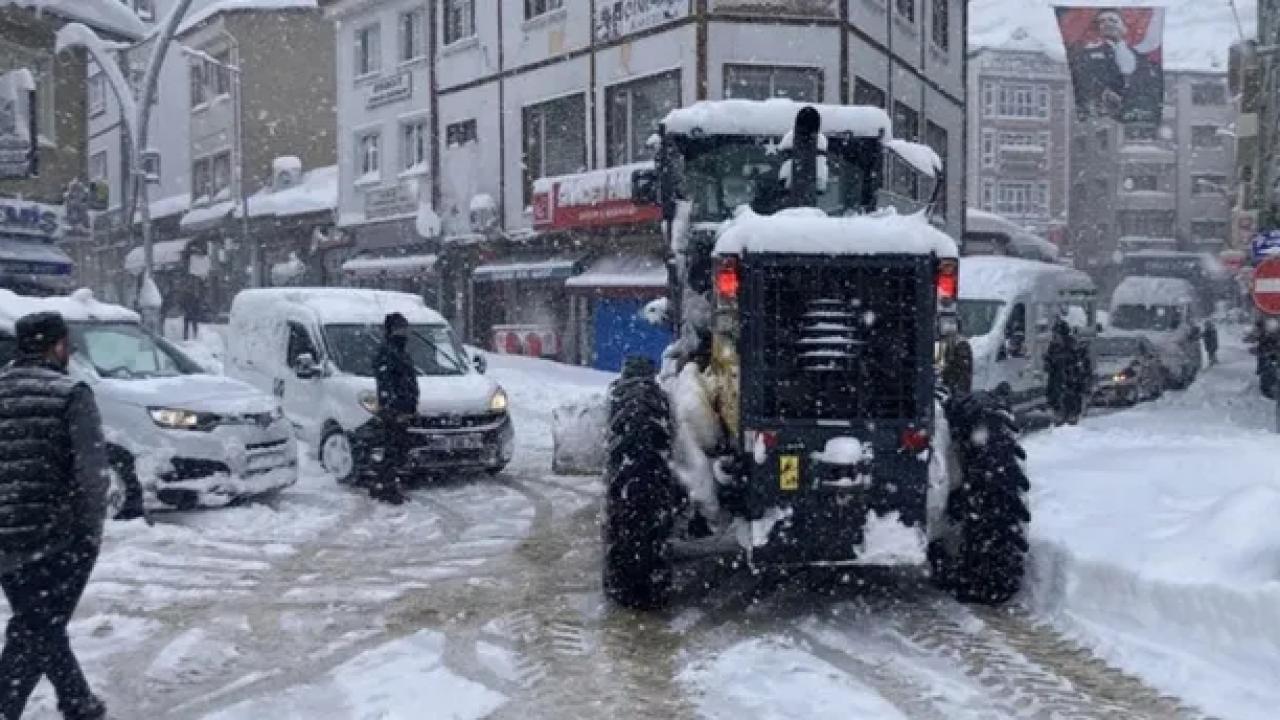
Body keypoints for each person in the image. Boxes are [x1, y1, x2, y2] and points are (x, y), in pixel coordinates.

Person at [0, 312, 109, 720]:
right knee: (35, 628)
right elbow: (92, 475)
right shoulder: (71, 394)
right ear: (58, 346)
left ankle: (77, 701)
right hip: (54, 537)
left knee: (39, 623)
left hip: (5, 538)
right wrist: (88, 534)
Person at [1068, 9, 1163, 123]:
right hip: (1103, 116)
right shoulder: (1086, 54)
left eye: (1113, 20)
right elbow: (1083, 83)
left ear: (1124, 27)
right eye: (1102, 21)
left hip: (1135, 115)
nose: (1107, 24)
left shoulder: (1141, 57)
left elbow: (1147, 85)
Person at [370, 312, 418, 505]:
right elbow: (386, 384)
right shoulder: (387, 352)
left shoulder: (401, 352)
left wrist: (411, 405)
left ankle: (383, 484)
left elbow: (407, 381)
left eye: (405, 328)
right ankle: (386, 487)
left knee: (398, 450)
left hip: (403, 409)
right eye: (398, 329)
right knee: (391, 449)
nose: (403, 333)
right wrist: (392, 409)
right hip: (394, 411)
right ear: (390, 331)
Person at [1045, 319, 1084, 425]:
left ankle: (1071, 414)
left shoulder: (1072, 345)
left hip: (1069, 377)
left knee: (1070, 395)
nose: (1055, 337)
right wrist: (1049, 363)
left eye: (1057, 334)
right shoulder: (1053, 346)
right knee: (1056, 393)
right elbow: (1049, 359)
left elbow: (1078, 361)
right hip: (1057, 378)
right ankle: (1059, 413)